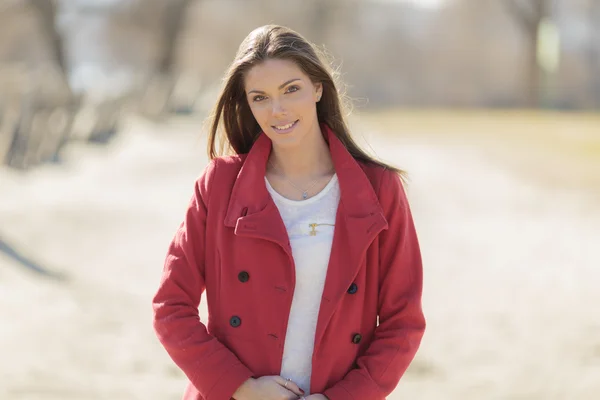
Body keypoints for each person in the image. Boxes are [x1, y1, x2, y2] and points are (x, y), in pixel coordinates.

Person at [152, 24, 425, 400]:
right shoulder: (219, 185)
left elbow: (402, 323)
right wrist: (241, 387)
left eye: (290, 89)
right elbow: (171, 307)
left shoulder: (379, 190)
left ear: (318, 88)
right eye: (260, 97)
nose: (277, 110)